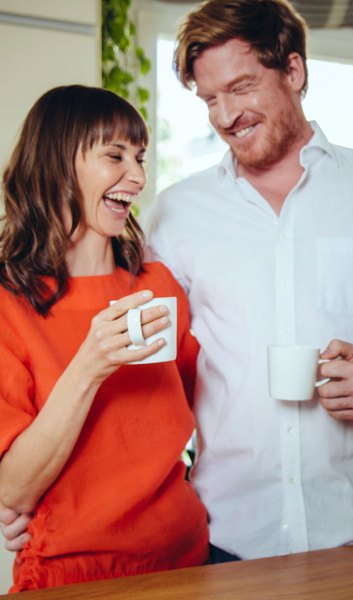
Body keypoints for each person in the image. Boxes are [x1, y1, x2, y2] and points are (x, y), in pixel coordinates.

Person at [141, 0, 353, 562]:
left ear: (295, 71)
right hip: (226, 535)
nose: (225, 114)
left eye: (241, 87)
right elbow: (149, 372)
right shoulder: (174, 215)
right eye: (210, 99)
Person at [0, 85, 208, 591]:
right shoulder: (10, 304)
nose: (137, 177)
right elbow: (13, 488)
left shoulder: (158, 287)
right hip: (71, 572)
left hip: (188, 557)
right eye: (114, 156)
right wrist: (90, 363)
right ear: (55, 165)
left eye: (139, 157)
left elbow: (191, 415)